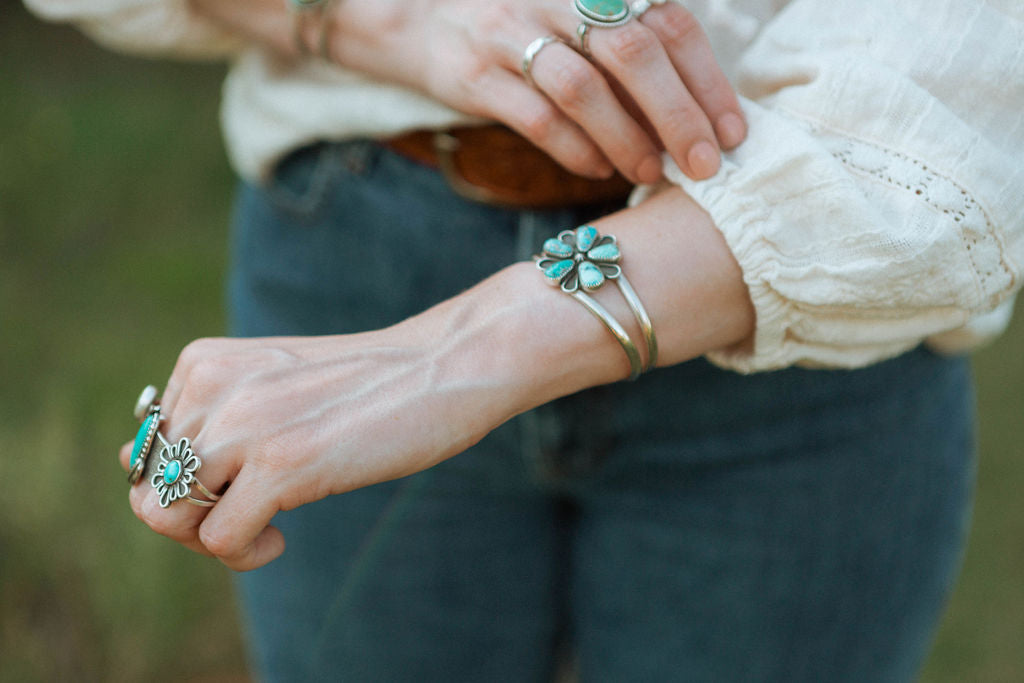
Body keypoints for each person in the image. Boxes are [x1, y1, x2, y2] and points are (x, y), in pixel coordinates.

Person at [26, 0, 1024, 680]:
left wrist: (443, 356)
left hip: (809, 311)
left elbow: (971, 69)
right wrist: (383, 14)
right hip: (353, 241)